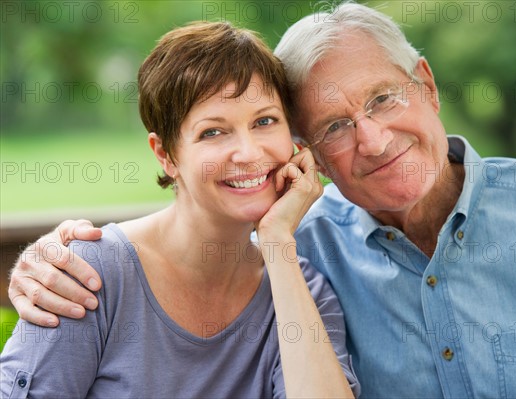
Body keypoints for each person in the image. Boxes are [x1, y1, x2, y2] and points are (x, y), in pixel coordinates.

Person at [7, 2, 516, 398]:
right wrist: (44, 257)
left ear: (428, 84)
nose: (372, 139)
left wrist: (280, 247)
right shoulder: (298, 253)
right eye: (335, 126)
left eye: (384, 99)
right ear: (306, 148)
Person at [1, 21, 360, 398]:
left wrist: (276, 242)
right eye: (212, 132)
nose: (250, 153)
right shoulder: (88, 273)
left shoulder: (302, 289)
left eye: (264, 122)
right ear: (166, 154)